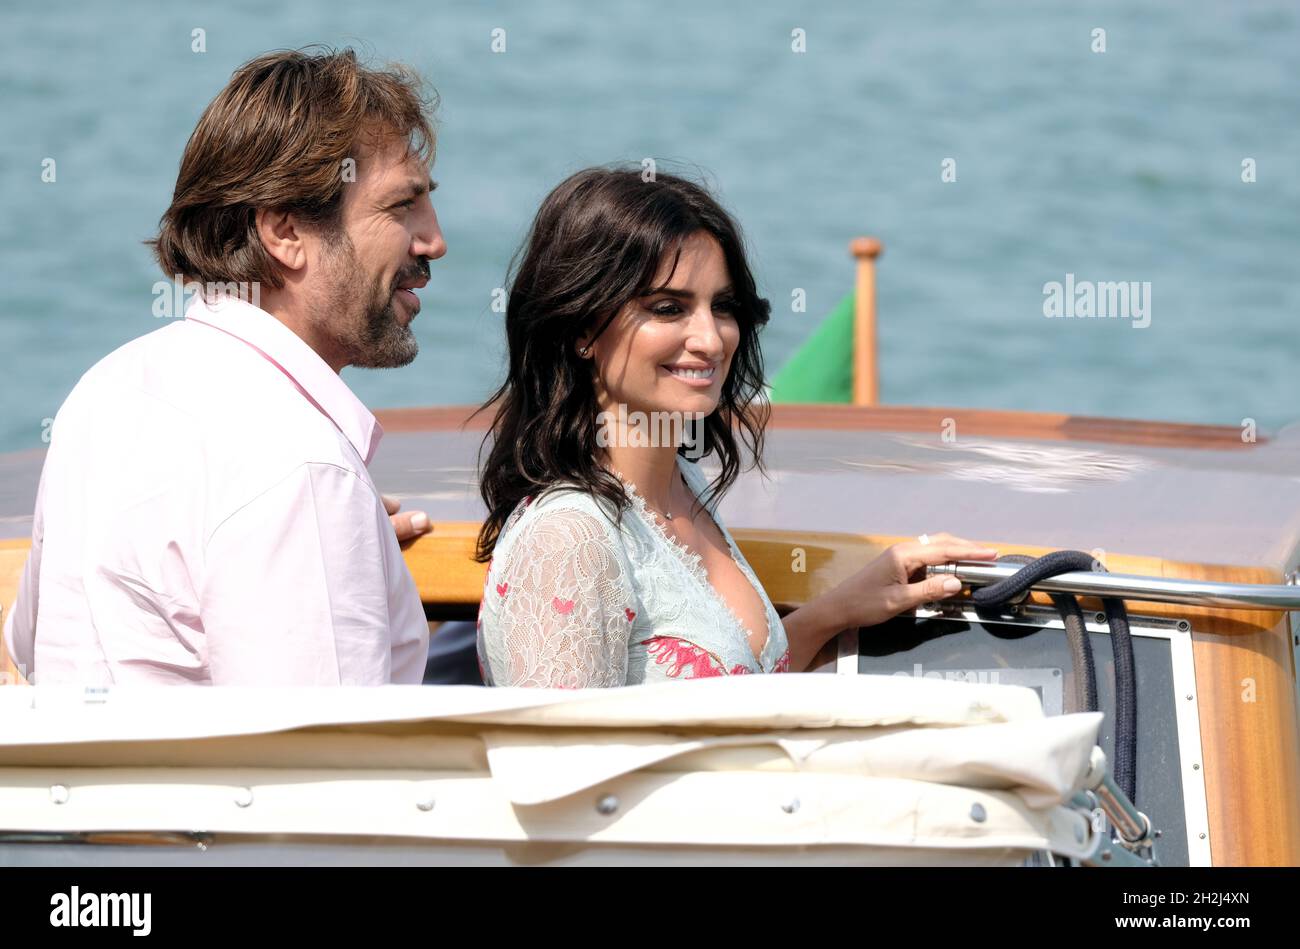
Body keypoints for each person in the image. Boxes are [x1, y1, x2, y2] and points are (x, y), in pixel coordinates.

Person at [3, 47, 444, 685]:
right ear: (285, 232)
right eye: (403, 206)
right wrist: (325, 534)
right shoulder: (303, 466)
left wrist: (348, 551)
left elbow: (33, 645)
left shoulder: (106, 390)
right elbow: (328, 762)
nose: (435, 240)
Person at [474, 167, 998, 686]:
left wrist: (839, 609)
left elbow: (729, 687)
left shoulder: (683, 485)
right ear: (581, 328)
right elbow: (560, 763)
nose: (710, 338)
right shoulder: (567, 540)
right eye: (668, 307)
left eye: (721, 307)